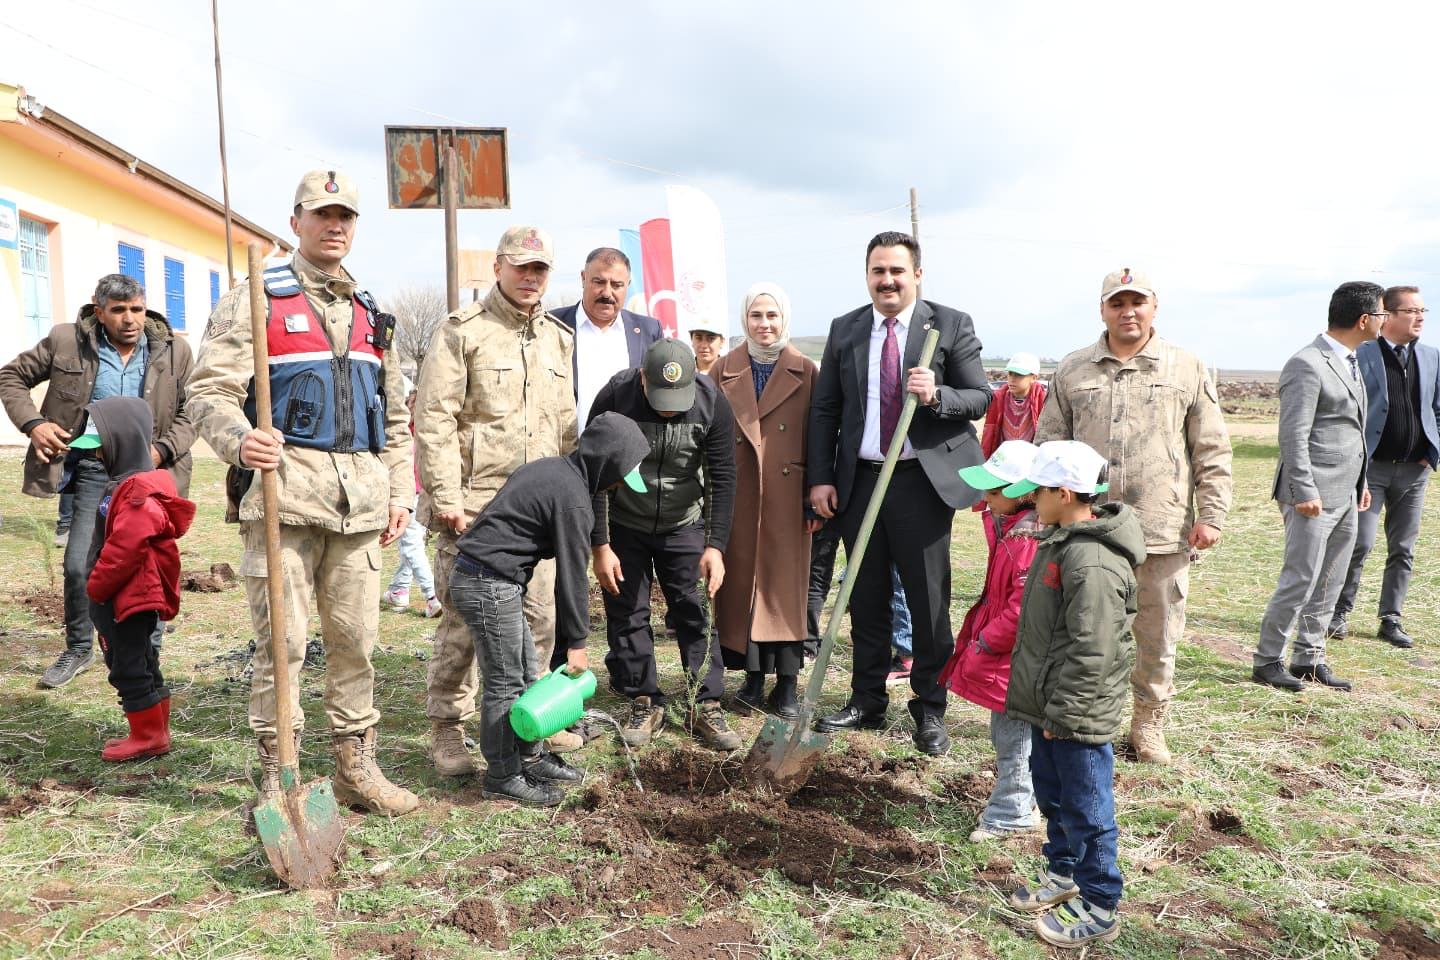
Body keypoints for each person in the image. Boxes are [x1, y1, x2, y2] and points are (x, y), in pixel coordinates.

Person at [187, 169, 419, 816]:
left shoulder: (374, 314)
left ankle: (355, 768)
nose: (335, 224)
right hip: (283, 502)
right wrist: (239, 441)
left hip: (363, 508)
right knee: (283, 647)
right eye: (322, 214)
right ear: (296, 222)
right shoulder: (256, 299)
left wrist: (402, 491)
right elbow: (207, 393)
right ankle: (279, 772)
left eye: (345, 215)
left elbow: (395, 419)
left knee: (356, 643)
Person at [1036, 267, 1232, 765]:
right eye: (1117, 303)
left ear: (1154, 307)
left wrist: (1211, 514)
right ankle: (1078, 717)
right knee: (1080, 627)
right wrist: (1045, 511)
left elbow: (1210, 447)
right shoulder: (1074, 368)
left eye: (1137, 302)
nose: (1128, 311)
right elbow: (1048, 445)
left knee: (1157, 630)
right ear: (1102, 309)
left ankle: (1148, 723)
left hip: (1160, 527)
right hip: (1086, 529)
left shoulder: (1185, 367)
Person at [807, 230, 990, 756]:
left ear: (917, 274)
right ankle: (866, 699)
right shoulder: (846, 329)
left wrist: (937, 395)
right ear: (867, 275)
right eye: (877, 271)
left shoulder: (949, 324)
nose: (887, 281)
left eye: (896, 271)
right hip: (861, 480)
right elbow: (826, 410)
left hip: (920, 482)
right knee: (864, 596)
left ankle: (930, 708)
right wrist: (822, 477)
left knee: (928, 599)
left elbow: (979, 396)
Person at [415, 225, 579, 775]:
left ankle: (530, 728)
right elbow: (433, 420)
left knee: (537, 621)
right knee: (464, 624)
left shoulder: (559, 339)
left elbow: (566, 429)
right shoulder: (463, 332)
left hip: (536, 516)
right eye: (521, 267)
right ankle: (447, 730)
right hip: (476, 508)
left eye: (541, 270)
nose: (531, 278)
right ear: (499, 267)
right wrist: (445, 497)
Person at [0, 273, 195, 691]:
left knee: (152, 562)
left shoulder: (176, 350)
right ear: (99, 309)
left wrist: (160, 450)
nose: (129, 320)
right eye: (119, 310)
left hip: (150, 475)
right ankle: (78, 647)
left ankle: (149, 645)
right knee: (78, 565)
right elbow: (11, 376)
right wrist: (34, 423)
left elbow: (192, 410)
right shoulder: (67, 340)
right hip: (92, 468)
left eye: (137, 310)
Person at [450, 412, 651, 806]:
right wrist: (577, 642)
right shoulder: (572, 500)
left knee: (526, 673)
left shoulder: (561, 469)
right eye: (618, 478)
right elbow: (572, 577)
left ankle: (531, 756)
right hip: (486, 583)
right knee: (506, 685)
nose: (615, 487)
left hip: (491, 579)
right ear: (607, 466)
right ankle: (502, 775)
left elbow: (593, 494)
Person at [1002, 440, 1144, 949]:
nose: (1030, 501)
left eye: (1037, 491)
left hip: (1075, 712)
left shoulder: (1092, 562)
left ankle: (1101, 901)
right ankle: (1063, 875)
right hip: (1052, 706)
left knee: (1087, 807)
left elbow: (1095, 648)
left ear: (1063, 493)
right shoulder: (1061, 541)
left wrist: (1066, 713)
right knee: (1054, 796)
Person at [588, 338, 740, 750]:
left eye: (679, 397)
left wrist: (716, 546)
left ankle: (703, 701)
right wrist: (601, 545)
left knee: (695, 610)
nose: (669, 407)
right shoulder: (616, 396)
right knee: (627, 609)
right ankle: (644, 697)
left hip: (684, 523)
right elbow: (595, 472)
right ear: (642, 378)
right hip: (624, 522)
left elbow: (723, 477)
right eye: (660, 397)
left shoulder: (712, 403)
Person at [1252, 282, 1380, 693]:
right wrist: (1304, 489)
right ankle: (1268, 659)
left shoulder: (1352, 361)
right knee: (1301, 577)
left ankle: (1309, 656)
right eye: (1381, 313)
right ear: (1364, 320)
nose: (1384, 320)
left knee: (1331, 579)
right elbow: (1293, 434)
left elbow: (1351, 430)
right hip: (1311, 494)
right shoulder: (1307, 363)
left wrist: (1360, 483)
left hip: (1345, 493)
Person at [712, 282, 820, 720]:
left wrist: (815, 495)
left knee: (785, 587)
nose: (764, 324)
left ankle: (788, 684)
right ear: (744, 320)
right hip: (738, 495)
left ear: (785, 319)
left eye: (772, 315)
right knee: (744, 586)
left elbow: (820, 434)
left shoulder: (806, 370)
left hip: (788, 494)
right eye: (756, 316)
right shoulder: (722, 370)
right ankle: (753, 679)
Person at [81, 398, 196, 761]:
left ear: (122, 441)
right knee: (143, 659)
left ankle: (147, 736)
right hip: (126, 598)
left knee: (127, 665)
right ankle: (155, 729)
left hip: (124, 599)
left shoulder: (136, 496)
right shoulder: (127, 486)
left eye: (100, 446)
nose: (96, 455)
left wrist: (97, 589)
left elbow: (124, 550)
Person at [939, 440, 1042, 842]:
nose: (986, 497)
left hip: (1013, 657)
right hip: (1008, 655)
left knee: (1013, 735)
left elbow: (1021, 609)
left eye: (995, 490)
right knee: (1011, 732)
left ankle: (1010, 812)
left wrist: (985, 642)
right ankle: (1023, 801)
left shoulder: (1028, 542)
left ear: (1026, 492)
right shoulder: (1012, 531)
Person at [1328, 285, 1440, 649]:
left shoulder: (1431, 356)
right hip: (1370, 471)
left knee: (1403, 548)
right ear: (1387, 315)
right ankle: (1338, 613)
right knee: (1359, 543)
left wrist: (1432, 452)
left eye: (1423, 311)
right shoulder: (1362, 354)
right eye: (1411, 311)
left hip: (1414, 471)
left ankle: (1390, 618)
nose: (1420, 317)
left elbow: (1438, 409)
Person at [550, 247, 662, 428]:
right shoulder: (551, 325)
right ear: (583, 278)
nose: (607, 293)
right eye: (599, 282)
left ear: (628, 284)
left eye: (616, 285)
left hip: (629, 452)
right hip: (566, 451)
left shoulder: (648, 331)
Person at [381, 380, 440, 618]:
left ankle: (432, 595)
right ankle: (399, 590)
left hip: (409, 495)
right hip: (422, 493)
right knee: (410, 544)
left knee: (412, 546)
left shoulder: (405, 437)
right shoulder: (426, 436)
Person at [980, 351, 1047, 458]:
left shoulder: (1043, 401)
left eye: (1019, 375)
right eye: (1010, 373)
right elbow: (989, 434)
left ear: (1034, 378)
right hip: (1002, 458)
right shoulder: (998, 399)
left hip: (1031, 460)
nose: (1012, 379)